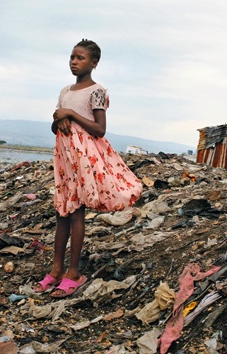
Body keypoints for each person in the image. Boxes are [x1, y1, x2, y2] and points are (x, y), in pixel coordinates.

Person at [34, 39, 143, 298]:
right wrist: (59, 120)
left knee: (76, 213)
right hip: (65, 157)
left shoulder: (96, 91)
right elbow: (57, 124)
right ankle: (56, 269)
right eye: (72, 56)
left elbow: (99, 129)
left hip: (85, 157)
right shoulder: (65, 91)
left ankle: (74, 272)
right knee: (62, 210)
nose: (74, 61)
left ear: (94, 63)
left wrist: (70, 113)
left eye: (80, 58)